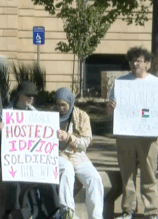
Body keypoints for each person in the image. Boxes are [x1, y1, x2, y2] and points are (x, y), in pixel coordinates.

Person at [107, 46, 158, 219]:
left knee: (149, 174)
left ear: (147, 64)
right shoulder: (121, 83)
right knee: (127, 174)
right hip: (126, 136)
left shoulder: (157, 84)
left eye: (139, 61)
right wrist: (110, 107)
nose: (135, 64)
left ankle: (151, 211)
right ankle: (128, 210)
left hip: (149, 136)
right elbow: (109, 111)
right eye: (132, 61)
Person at [0, 81, 58, 219]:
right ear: (19, 95)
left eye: (33, 96)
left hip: (32, 158)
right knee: (14, 183)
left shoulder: (36, 114)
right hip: (13, 159)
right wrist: (1, 133)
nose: (31, 98)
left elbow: (42, 139)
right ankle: (16, 214)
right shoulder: (6, 114)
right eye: (28, 95)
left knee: (47, 181)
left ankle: (51, 212)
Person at [53, 87, 104, 219]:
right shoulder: (51, 117)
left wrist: (69, 138)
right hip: (59, 154)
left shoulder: (82, 116)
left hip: (77, 154)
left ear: (70, 102)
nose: (61, 108)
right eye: (58, 105)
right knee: (67, 170)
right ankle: (67, 212)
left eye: (63, 105)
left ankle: (96, 216)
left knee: (95, 178)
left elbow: (86, 141)